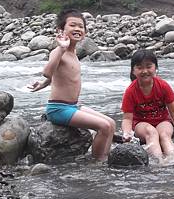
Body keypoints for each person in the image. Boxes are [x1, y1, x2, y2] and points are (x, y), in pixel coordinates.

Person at [28, 9, 116, 160]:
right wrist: (61, 48)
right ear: (61, 30)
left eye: (81, 26)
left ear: (85, 32)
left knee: (111, 123)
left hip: (73, 106)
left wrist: (43, 84)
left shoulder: (73, 53)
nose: (77, 29)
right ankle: (98, 162)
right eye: (72, 25)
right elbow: (48, 71)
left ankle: (105, 156)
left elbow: (55, 76)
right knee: (104, 127)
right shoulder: (58, 51)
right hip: (58, 109)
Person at [120, 49, 174, 160]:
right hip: (141, 124)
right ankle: (159, 161)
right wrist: (127, 133)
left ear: (155, 68)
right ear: (133, 71)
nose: (144, 71)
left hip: (163, 121)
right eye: (139, 67)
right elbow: (127, 118)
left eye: (148, 66)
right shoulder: (131, 91)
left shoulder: (163, 86)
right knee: (151, 132)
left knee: (164, 135)